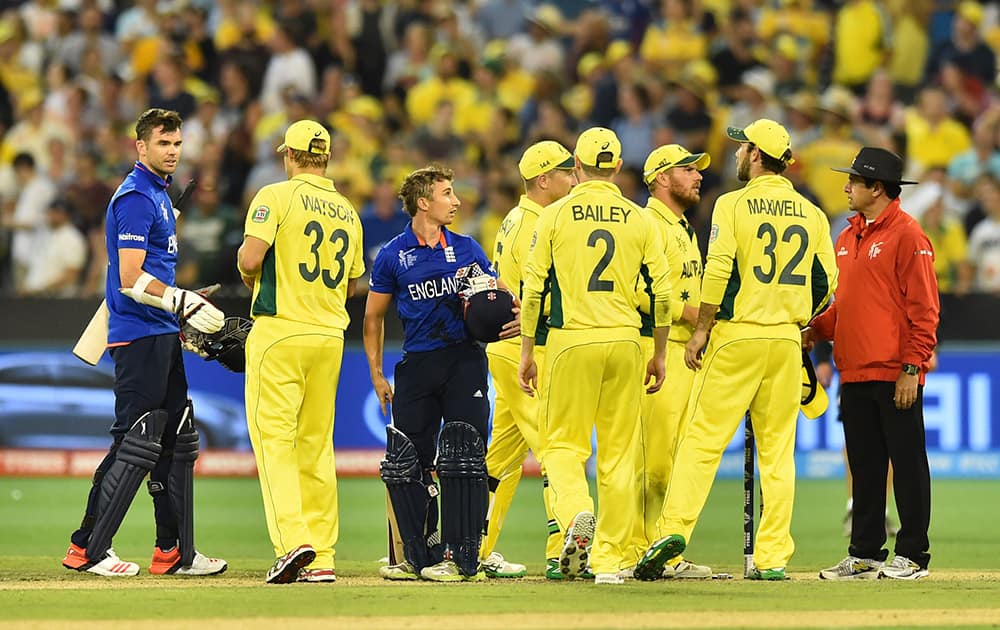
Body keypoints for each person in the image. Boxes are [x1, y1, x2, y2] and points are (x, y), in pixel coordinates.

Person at [635, 119, 837, 582]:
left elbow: (719, 270)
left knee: (702, 441)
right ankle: (772, 558)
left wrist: (703, 328)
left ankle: (673, 530)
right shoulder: (812, 213)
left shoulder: (732, 204)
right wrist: (795, 315)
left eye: (742, 147)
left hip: (738, 335)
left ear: (756, 154)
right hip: (785, 340)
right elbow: (828, 283)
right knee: (778, 453)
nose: (737, 155)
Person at [61, 108, 228, 577]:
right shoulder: (135, 197)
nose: (172, 151)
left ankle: (173, 552)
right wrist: (181, 301)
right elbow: (132, 276)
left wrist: (181, 300)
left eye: (177, 143)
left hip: (161, 332)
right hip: (138, 336)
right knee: (132, 443)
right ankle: (87, 548)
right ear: (141, 147)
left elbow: (150, 273)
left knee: (176, 442)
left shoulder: (157, 194)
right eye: (163, 143)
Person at [518, 127, 673, 585]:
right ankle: (610, 560)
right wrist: (659, 352)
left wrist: (527, 351)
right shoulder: (641, 218)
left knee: (564, 445)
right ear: (618, 167)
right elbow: (662, 294)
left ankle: (576, 514)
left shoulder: (556, 216)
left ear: (578, 168)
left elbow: (532, 291)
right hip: (627, 341)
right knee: (620, 454)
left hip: (571, 340)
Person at [364, 164, 520, 582]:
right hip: (417, 366)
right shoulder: (394, 255)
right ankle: (418, 553)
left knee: (465, 457)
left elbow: (503, 294)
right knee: (409, 461)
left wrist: (517, 316)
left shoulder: (467, 247)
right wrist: (378, 374)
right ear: (423, 202)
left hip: (464, 362)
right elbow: (373, 317)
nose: (457, 201)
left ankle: (464, 555)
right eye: (448, 193)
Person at [237, 119, 366, 584]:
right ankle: (325, 553)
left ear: (289, 156)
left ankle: (294, 544)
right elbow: (355, 283)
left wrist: (253, 276)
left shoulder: (274, 196)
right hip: (330, 337)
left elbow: (252, 259)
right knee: (316, 447)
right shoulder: (347, 210)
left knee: (275, 442)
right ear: (325, 158)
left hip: (280, 333)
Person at [808, 147, 939, 580]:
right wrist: (816, 329)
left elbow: (924, 311)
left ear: (876, 188)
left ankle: (914, 555)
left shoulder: (908, 235)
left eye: (854, 182)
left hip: (894, 372)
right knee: (865, 468)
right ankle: (864, 552)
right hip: (856, 371)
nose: (845, 187)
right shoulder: (847, 237)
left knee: (907, 464)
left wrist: (911, 367)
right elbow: (844, 306)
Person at [479, 141, 576, 580]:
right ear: (543, 180)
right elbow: (536, 293)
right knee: (557, 446)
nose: (574, 180)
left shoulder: (516, 218)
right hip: (527, 350)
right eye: (565, 173)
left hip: (509, 347)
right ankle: (565, 546)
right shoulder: (539, 224)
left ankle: (468, 545)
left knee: (500, 460)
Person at [633, 144, 713, 579]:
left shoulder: (682, 226)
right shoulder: (647, 223)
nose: (698, 175)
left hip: (685, 355)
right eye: (688, 169)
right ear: (662, 177)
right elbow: (638, 290)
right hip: (654, 351)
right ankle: (635, 551)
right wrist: (697, 318)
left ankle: (664, 553)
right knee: (654, 466)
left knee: (676, 461)